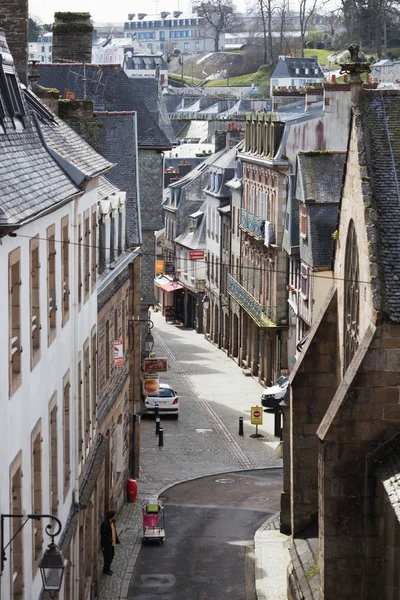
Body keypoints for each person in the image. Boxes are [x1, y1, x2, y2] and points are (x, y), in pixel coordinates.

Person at [100, 510, 120, 575]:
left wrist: (116, 539)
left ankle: (107, 569)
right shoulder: (105, 524)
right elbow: (103, 533)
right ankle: (106, 570)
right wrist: (110, 539)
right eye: (114, 516)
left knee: (111, 555)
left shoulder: (112, 522)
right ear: (111, 517)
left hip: (112, 543)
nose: (114, 517)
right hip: (107, 544)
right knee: (107, 557)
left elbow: (114, 532)